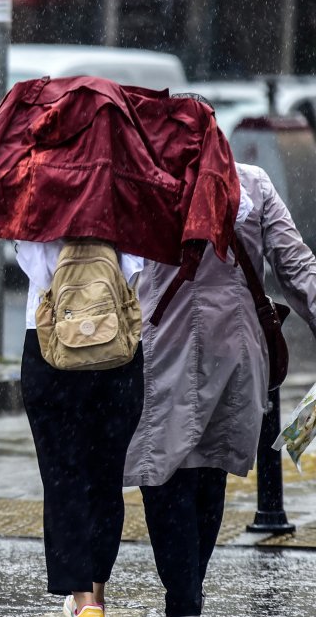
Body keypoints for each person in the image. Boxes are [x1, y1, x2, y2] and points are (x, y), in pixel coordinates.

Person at [126, 98, 316, 617]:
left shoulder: (145, 184)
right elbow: (297, 268)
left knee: (162, 474)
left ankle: (182, 598)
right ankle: (189, 595)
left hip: (159, 352)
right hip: (236, 354)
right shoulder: (251, 182)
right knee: (207, 476)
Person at [0, 134, 143, 617]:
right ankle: (97, 592)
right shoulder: (128, 180)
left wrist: (18, 138)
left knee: (63, 473)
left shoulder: (32, 182)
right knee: (104, 476)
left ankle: (81, 602)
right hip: (117, 349)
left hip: (51, 345)